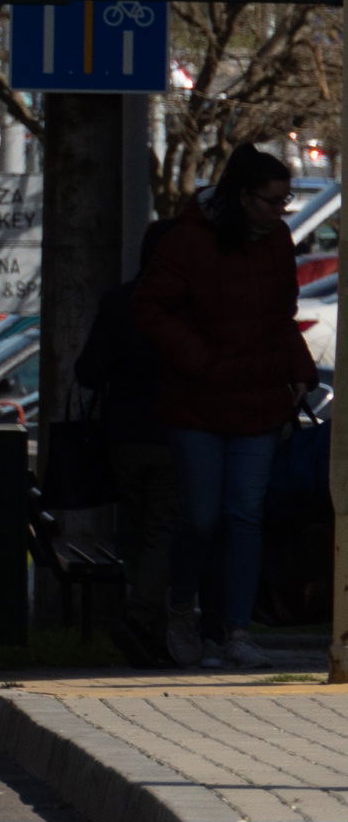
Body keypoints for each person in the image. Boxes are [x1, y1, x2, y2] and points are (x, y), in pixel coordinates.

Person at [133, 144, 315, 670]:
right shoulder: (189, 241)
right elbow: (151, 307)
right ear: (241, 197)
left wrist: (299, 369)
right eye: (271, 200)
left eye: (285, 200)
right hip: (200, 399)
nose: (280, 211)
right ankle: (184, 607)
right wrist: (201, 359)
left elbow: (284, 314)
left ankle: (234, 628)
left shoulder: (274, 241)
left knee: (244, 515)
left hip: (255, 395)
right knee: (204, 516)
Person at [76, 220, 177, 665]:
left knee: (136, 529)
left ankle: (145, 619)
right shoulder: (183, 306)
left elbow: (88, 371)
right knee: (164, 529)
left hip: (121, 436)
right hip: (173, 431)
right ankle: (141, 617)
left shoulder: (118, 302)